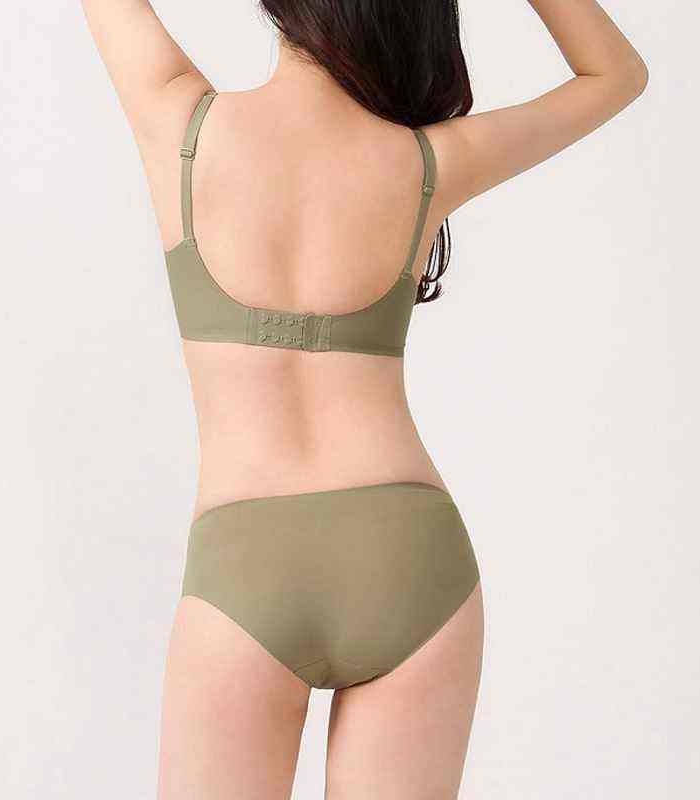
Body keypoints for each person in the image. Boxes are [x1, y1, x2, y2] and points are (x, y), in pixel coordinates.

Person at [82, 2, 647, 797]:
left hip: (246, 561)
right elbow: (616, 74)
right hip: (410, 557)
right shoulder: (426, 164)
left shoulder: (181, 127)